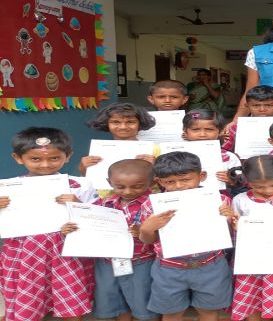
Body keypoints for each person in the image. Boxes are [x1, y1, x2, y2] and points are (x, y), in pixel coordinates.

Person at [1, 127, 97, 321]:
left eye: (54, 158)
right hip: (25, 252)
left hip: (66, 250)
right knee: (29, 291)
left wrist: (78, 204)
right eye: (35, 159)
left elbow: (96, 218)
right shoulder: (5, 187)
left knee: (69, 291)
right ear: (18, 158)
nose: (45, 165)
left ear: (67, 156)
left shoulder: (79, 185)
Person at [139, 152, 235, 321]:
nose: (179, 186)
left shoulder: (219, 200)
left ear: (202, 176)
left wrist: (229, 219)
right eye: (170, 182)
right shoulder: (153, 205)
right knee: (171, 313)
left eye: (185, 179)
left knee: (209, 311)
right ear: (159, 181)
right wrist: (147, 228)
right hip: (169, 268)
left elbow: (228, 235)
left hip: (211, 264)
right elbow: (148, 240)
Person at [62, 159, 158, 321]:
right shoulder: (106, 203)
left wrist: (143, 231)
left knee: (142, 300)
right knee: (113, 298)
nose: (128, 191)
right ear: (109, 183)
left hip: (141, 261)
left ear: (152, 182)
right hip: (107, 262)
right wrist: (70, 229)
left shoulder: (154, 204)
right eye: (120, 187)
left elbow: (162, 235)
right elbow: (89, 221)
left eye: (137, 186)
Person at [228, 155, 273, 321]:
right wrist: (237, 226)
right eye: (258, 186)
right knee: (251, 295)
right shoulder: (240, 200)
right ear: (246, 180)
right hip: (252, 259)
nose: (268, 191)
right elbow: (235, 229)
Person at [81, 103, 157, 175]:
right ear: (106, 124)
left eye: (130, 122)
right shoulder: (99, 150)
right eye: (115, 122)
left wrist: (156, 167)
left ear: (140, 124)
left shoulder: (154, 150)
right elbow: (92, 178)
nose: (123, 127)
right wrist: (83, 168)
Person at [182, 109, 243, 197]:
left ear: (220, 131)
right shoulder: (175, 154)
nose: (202, 134)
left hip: (219, 199)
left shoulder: (229, 157)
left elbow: (240, 182)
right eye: (195, 129)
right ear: (185, 131)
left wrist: (230, 180)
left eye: (209, 129)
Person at [221, 85, 273, 153]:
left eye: (268, 105)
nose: (262, 109)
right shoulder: (236, 128)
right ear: (247, 106)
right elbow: (225, 150)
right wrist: (221, 139)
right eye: (256, 105)